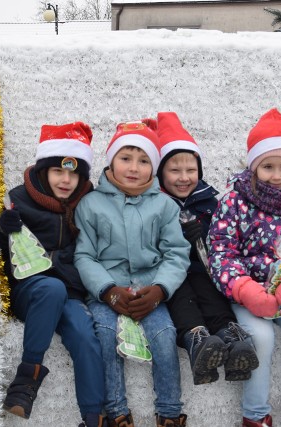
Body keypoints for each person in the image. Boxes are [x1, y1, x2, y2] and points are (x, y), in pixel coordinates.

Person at [207, 108, 281, 427]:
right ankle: (256, 416)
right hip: (249, 293)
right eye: (268, 166)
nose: (277, 174)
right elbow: (221, 250)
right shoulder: (234, 201)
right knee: (261, 338)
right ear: (254, 165)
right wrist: (244, 288)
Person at [74, 121, 190, 427]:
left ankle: (169, 412)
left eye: (143, 160)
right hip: (108, 292)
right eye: (126, 158)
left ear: (153, 166)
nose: (134, 168)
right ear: (111, 160)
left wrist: (160, 290)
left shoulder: (164, 205)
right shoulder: (90, 204)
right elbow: (84, 255)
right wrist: (107, 290)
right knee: (106, 336)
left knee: (164, 337)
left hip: (148, 292)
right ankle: (117, 412)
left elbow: (176, 253)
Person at [0, 122, 106, 427]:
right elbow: (0, 257)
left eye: (74, 174)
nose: (66, 180)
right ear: (45, 171)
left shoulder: (89, 204)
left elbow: (95, 251)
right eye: (59, 171)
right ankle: (27, 379)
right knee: (50, 289)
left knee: (85, 336)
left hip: (70, 291)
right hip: (32, 291)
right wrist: (2, 232)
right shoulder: (18, 199)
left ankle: (94, 417)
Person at [152, 111, 258, 385]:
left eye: (191, 170)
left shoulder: (210, 202)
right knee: (181, 294)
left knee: (209, 292)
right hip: (168, 272)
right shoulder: (152, 203)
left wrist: (207, 236)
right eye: (174, 170)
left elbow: (225, 243)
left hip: (203, 269)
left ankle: (230, 336)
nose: (184, 177)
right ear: (160, 172)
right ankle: (197, 339)